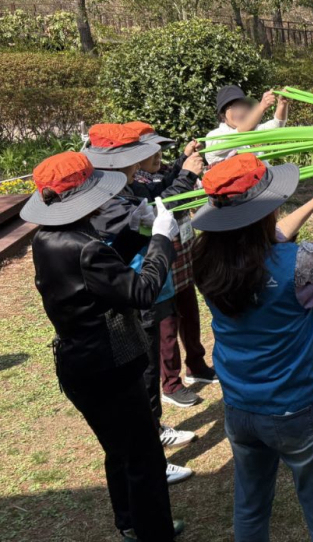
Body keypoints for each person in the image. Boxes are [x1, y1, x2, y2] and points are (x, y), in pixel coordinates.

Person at [192, 153, 313, 542]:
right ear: (266, 209)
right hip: (297, 408)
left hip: (240, 405)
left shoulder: (205, 260)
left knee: (250, 504)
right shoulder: (297, 267)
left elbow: (264, 242)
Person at [21, 151, 185, 541]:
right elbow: (141, 291)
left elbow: (99, 276)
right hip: (109, 366)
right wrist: (161, 238)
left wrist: (134, 231)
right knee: (144, 455)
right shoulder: (85, 246)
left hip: (80, 364)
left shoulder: (48, 239)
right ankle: (154, 533)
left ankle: (129, 521)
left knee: (118, 448)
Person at [84, 123, 202, 484]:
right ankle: (151, 455)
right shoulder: (107, 197)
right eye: (137, 152)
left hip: (149, 283)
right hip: (138, 290)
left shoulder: (122, 184)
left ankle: (153, 430)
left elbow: (156, 202)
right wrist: (186, 175)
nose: (146, 158)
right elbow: (159, 211)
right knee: (146, 369)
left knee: (148, 364)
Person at [125, 122, 218, 409]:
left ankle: (196, 364)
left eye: (160, 149)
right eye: (151, 151)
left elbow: (166, 180)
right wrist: (188, 172)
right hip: (160, 257)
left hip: (181, 251)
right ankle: (171, 382)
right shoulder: (133, 184)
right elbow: (165, 201)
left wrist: (182, 161)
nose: (158, 156)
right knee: (166, 322)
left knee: (189, 311)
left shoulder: (154, 173)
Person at [204, 85, 289, 166]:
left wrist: (282, 104)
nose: (240, 111)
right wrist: (261, 107)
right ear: (223, 114)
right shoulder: (213, 137)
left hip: (265, 177)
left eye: (243, 106)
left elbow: (277, 125)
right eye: (234, 107)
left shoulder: (252, 131)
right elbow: (238, 134)